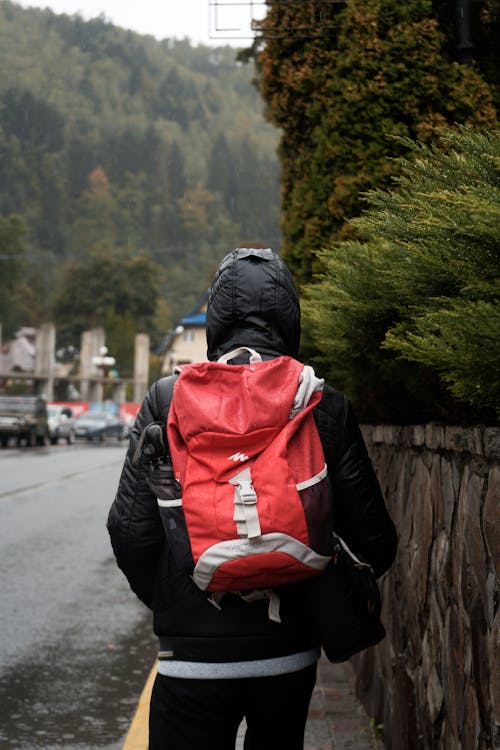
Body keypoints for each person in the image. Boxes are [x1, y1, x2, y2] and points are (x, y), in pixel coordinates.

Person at [107, 247, 398, 750]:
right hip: (286, 655)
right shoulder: (320, 404)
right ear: (290, 315)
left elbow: (130, 534)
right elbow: (375, 542)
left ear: (215, 319)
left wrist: (176, 601)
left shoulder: (166, 400)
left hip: (190, 661)